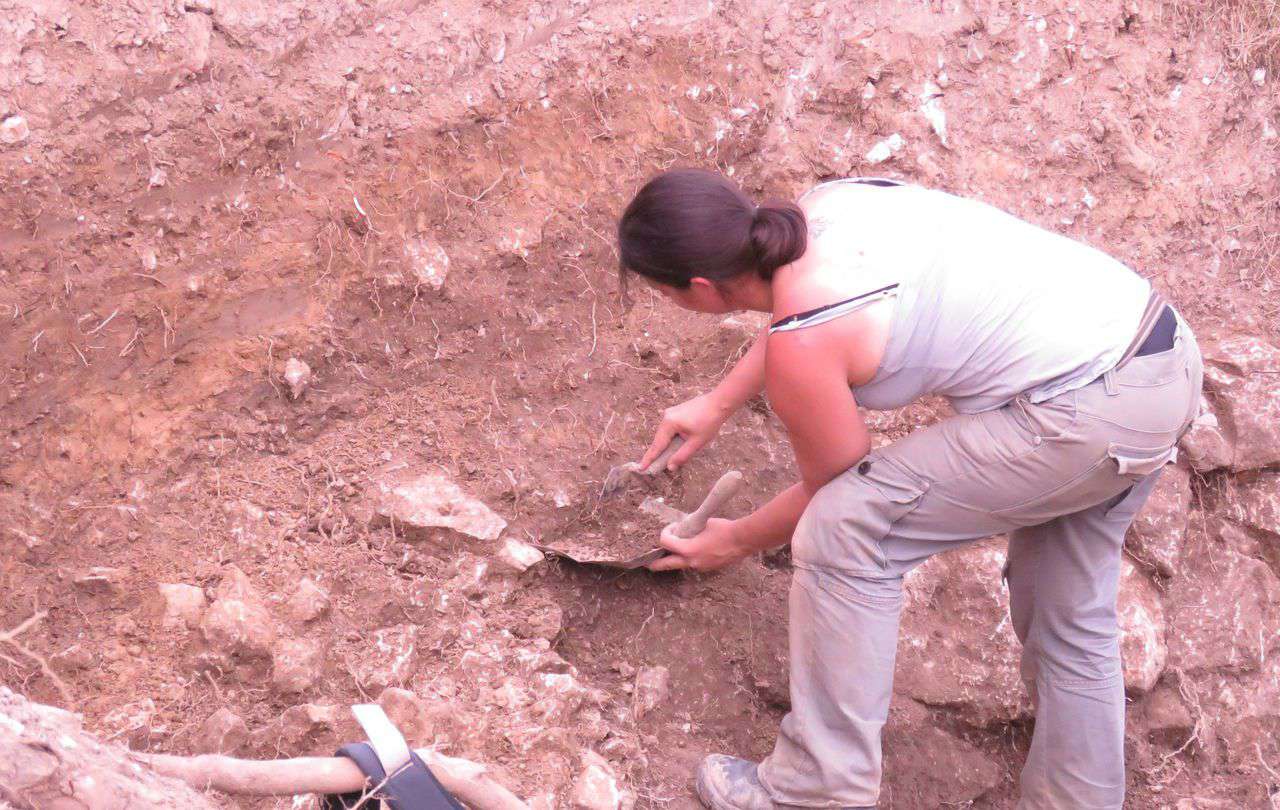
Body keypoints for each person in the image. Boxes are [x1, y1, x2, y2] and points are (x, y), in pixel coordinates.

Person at [615, 168, 1203, 809]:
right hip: (1159, 358)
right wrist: (719, 401)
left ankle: (816, 789)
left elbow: (832, 484)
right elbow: (802, 318)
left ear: (699, 288)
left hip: (1090, 414)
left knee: (848, 525)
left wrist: (736, 540)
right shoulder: (828, 206)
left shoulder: (803, 342)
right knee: (1066, 606)